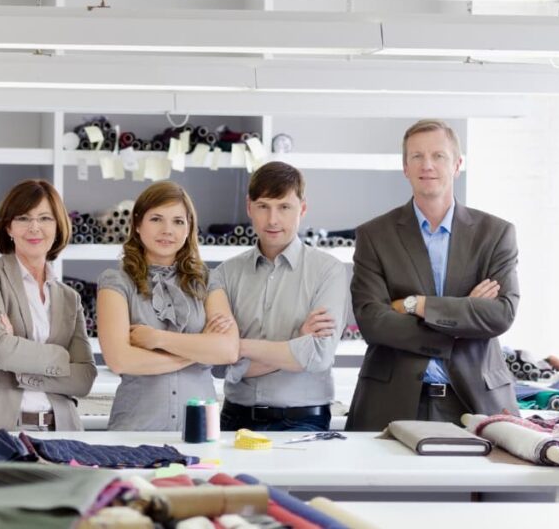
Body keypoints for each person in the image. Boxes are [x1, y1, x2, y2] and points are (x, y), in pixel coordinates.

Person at [345, 119, 520, 431]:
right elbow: (373, 322)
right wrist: (462, 319)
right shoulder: (374, 235)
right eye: (417, 157)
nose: (427, 165)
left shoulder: (495, 234)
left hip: (473, 400)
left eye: (438, 156)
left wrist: (417, 305)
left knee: (476, 483)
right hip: (390, 402)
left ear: (457, 165)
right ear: (405, 167)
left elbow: (500, 315)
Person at [207, 162, 348, 432]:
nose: (272, 219)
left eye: (284, 207)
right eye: (263, 206)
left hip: (303, 422)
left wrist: (238, 346)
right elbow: (217, 363)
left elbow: (318, 356)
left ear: (302, 209)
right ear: (249, 207)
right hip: (233, 419)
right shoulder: (224, 275)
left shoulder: (328, 271)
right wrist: (295, 344)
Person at [0, 179, 97, 431]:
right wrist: (62, 357)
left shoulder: (70, 297)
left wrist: (20, 364)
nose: (34, 227)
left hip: (59, 430)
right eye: (24, 218)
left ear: (58, 226)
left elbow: (84, 378)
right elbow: (0, 351)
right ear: (9, 228)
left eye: (45, 218)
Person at [97, 181, 239, 431]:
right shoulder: (116, 281)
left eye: (178, 221)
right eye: (156, 219)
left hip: (200, 429)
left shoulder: (208, 280)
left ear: (188, 229)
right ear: (138, 225)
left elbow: (227, 350)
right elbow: (120, 360)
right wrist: (198, 350)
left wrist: (156, 339)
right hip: (135, 427)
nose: (167, 230)